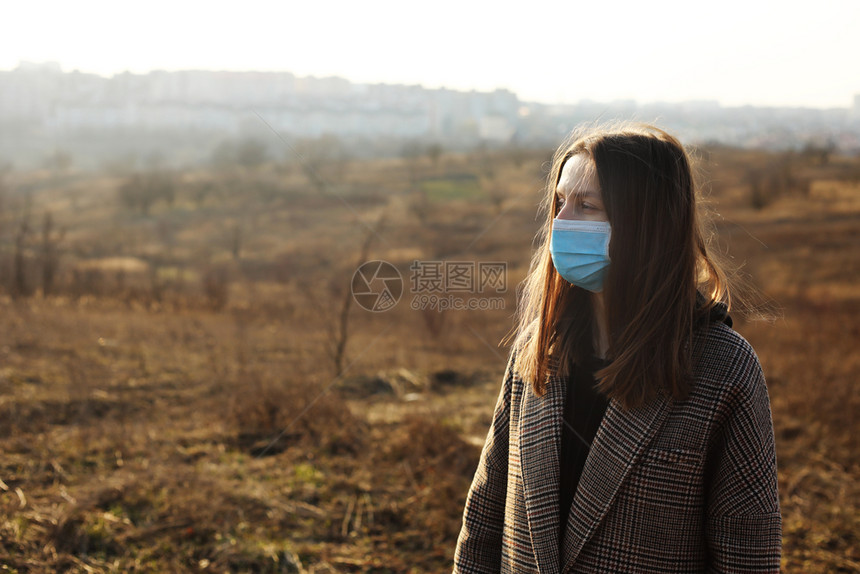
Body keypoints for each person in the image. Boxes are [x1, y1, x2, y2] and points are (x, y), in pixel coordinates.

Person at [453, 124, 781, 573]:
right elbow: (484, 524)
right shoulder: (539, 350)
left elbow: (748, 557)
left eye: (586, 206)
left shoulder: (722, 369)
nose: (561, 223)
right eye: (560, 203)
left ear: (647, 224)